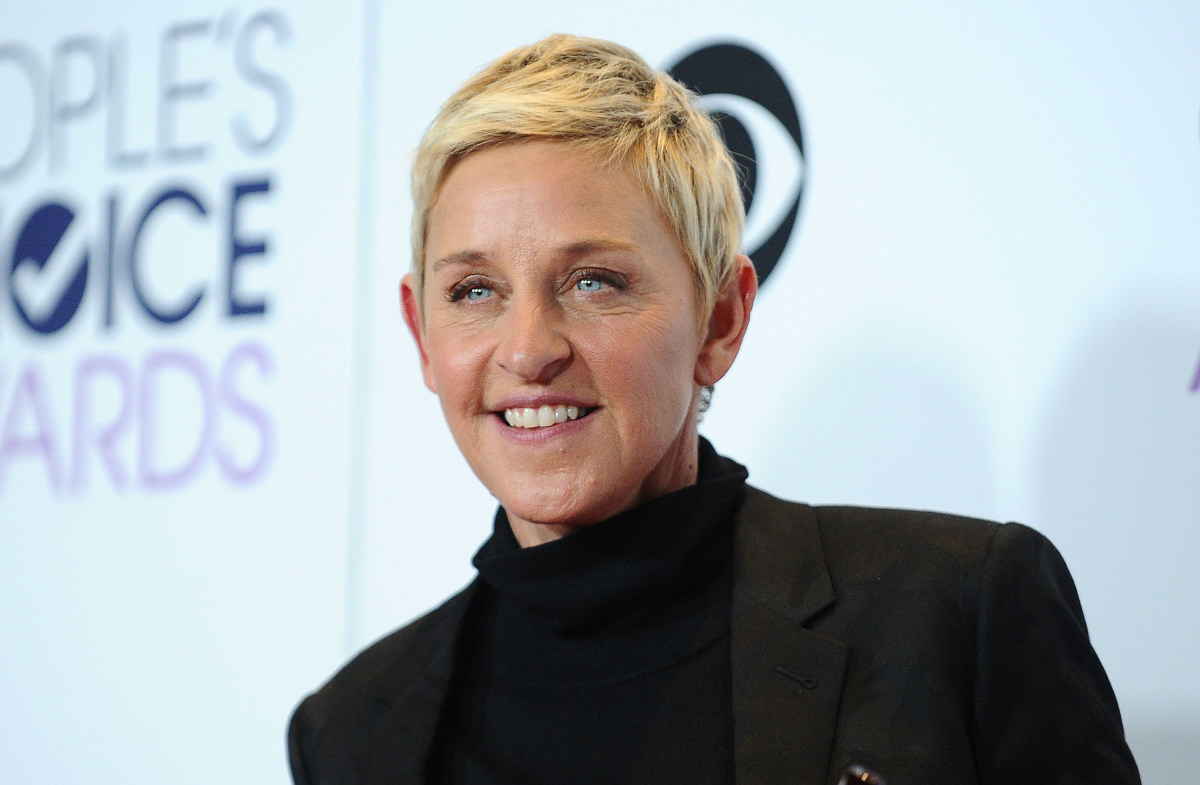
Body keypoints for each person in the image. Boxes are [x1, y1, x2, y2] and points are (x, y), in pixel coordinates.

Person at [287, 34, 1141, 785]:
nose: (528, 349)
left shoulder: (957, 615)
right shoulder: (351, 729)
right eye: (475, 291)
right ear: (422, 334)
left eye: (593, 281)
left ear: (720, 318)